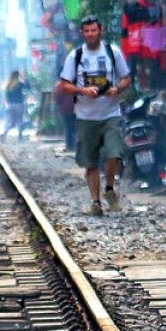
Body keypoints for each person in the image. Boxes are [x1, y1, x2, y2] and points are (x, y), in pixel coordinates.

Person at [57, 15, 132, 216]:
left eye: (94, 30)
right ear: (82, 33)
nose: (90, 34)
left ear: (101, 31)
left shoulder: (112, 52)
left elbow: (126, 79)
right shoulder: (76, 56)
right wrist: (82, 91)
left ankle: (109, 188)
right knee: (90, 162)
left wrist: (116, 89)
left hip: (110, 113)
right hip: (85, 116)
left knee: (114, 152)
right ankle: (95, 202)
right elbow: (63, 84)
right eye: (87, 31)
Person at [1, 70, 29, 138]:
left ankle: (5, 132)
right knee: (19, 120)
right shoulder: (19, 84)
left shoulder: (8, 85)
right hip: (19, 104)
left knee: (10, 121)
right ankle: (20, 134)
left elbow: (6, 96)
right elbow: (28, 87)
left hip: (10, 105)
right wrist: (24, 78)